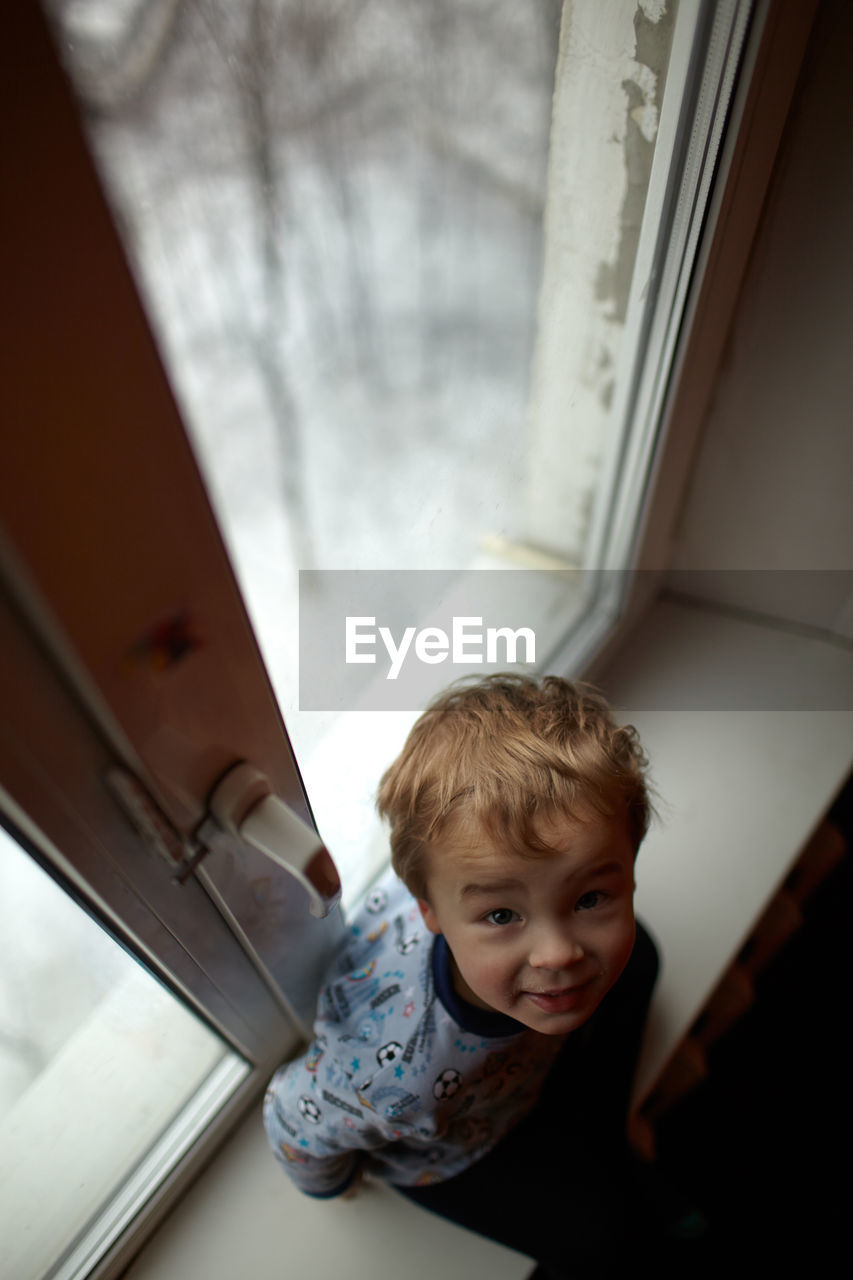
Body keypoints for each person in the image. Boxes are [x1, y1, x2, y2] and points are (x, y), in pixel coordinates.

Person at [264, 674, 695, 1278]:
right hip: (460, 1144)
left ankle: (603, 1148)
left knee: (640, 953)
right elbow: (290, 1115)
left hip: (521, 1064)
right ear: (431, 912)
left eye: (591, 897)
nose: (557, 953)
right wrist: (331, 1186)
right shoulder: (395, 1078)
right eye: (501, 915)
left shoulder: (475, 877)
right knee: (603, 1237)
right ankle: (609, 1163)